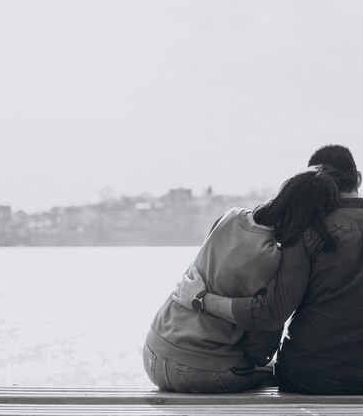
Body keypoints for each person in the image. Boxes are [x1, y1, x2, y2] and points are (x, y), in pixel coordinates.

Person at [174, 144, 363, 394]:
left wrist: (201, 299)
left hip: (305, 377)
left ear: (317, 185)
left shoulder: (308, 233)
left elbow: (270, 313)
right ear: (358, 179)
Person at [143, 166, 339, 393]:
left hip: (153, 352)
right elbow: (261, 339)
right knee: (283, 374)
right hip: (199, 369)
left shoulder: (231, 216)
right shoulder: (275, 257)